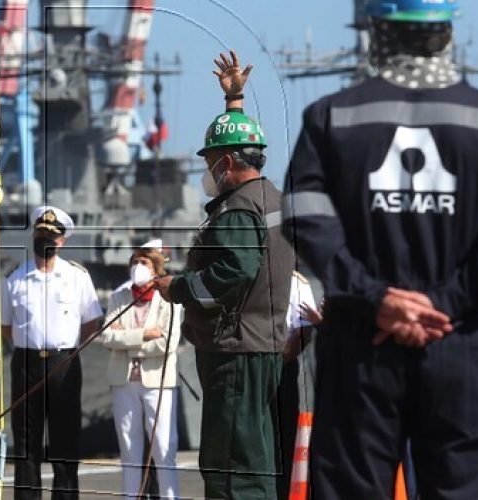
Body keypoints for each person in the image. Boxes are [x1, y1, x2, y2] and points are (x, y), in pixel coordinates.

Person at [281, 1, 478, 497]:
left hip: (362, 344)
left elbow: (302, 218)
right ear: (447, 33)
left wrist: (377, 299)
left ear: (378, 32)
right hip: (461, 342)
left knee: (351, 486)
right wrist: (445, 305)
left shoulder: (331, 117)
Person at [155, 51, 294, 500]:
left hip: (234, 353)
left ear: (228, 162)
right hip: (263, 344)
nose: (208, 169)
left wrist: (177, 287)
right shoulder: (272, 199)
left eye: (213, 159)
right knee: (256, 455)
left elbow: (237, 267)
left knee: (232, 465)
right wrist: (234, 100)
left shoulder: (236, 209)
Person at [0, 205, 104, 499]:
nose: (46, 240)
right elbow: (5, 325)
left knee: (65, 442)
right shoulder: (14, 278)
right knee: (27, 444)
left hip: (64, 362)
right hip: (26, 364)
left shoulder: (77, 277)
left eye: (52, 236)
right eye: (41, 233)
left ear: (62, 241)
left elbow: (92, 321)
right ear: (33, 235)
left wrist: (65, 347)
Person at [99, 240, 182, 498]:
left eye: (143, 262)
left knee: (164, 447)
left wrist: (127, 340)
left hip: (157, 382)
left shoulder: (170, 301)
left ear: (156, 269)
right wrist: (145, 334)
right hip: (124, 381)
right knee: (129, 449)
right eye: (134, 262)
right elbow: (107, 337)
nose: (137, 267)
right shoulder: (118, 297)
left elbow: (168, 342)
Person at [277, 271, 320, 500]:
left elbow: (304, 329)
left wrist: (282, 359)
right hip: (250, 366)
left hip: (282, 366)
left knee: (285, 439)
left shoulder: (295, 281)